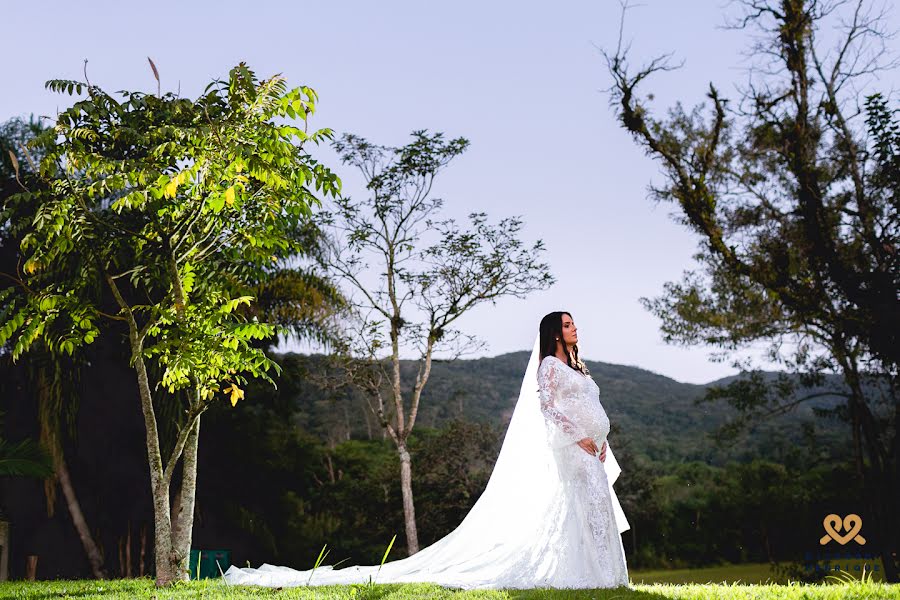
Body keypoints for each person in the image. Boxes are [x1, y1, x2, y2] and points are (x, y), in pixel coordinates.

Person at [224, 311, 631, 589]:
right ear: (554, 333)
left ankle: (607, 574)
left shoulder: (577, 366)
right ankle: (590, 574)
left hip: (594, 450)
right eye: (567, 323)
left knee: (594, 510)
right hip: (573, 448)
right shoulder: (549, 367)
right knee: (583, 509)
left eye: (574, 322)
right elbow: (548, 411)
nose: (575, 327)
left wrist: (602, 440)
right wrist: (579, 438)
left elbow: (590, 406)